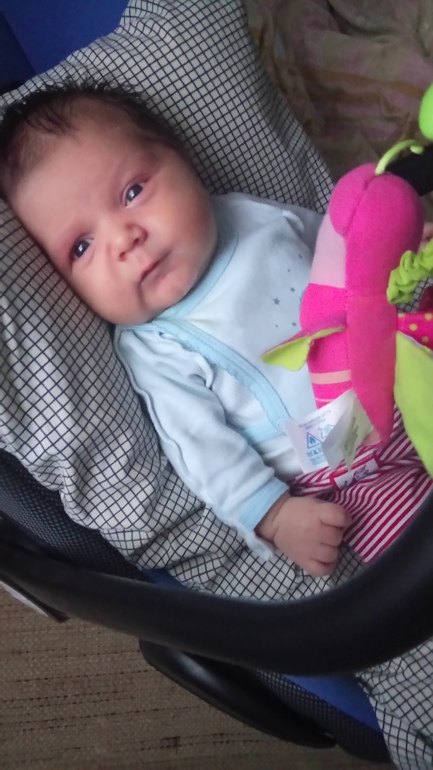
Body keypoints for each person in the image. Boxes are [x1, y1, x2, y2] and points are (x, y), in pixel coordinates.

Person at [2, 81, 433, 770]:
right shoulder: (155, 347)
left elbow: (338, 264)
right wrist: (274, 514)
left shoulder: (253, 217)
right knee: (410, 566)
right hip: (346, 474)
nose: (124, 238)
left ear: (182, 163)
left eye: (133, 192)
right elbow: (205, 454)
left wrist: (397, 263)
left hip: (404, 377)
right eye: (81, 247)